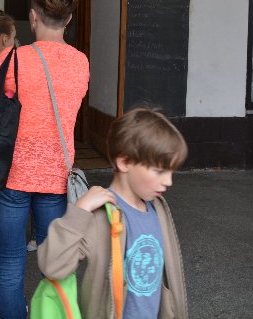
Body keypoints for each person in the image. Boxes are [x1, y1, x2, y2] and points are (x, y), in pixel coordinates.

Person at [0, 0, 90, 319]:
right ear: (69, 18)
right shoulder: (80, 62)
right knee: (56, 265)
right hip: (57, 177)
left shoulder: (11, 60)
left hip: (11, 174)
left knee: (8, 263)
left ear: (32, 16)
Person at [37, 109, 189, 319]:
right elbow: (52, 266)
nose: (169, 181)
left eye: (171, 172)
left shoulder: (158, 208)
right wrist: (79, 211)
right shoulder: (99, 215)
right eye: (160, 171)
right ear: (125, 162)